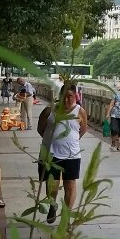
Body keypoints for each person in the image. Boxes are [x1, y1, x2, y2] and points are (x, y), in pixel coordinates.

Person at [37, 84, 88, 224]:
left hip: (72, 155)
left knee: (70, 184)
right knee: (51, 184)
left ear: (75, 96)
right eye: (64, 97)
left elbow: (83, 129)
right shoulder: (49, 111)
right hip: (50, 154)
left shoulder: (80, 111)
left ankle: (66, 215)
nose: (66, 100)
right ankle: (52, 206)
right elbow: (40, 129)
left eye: (70, 97)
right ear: (59, 96)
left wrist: (71, 141)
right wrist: (51, 140)